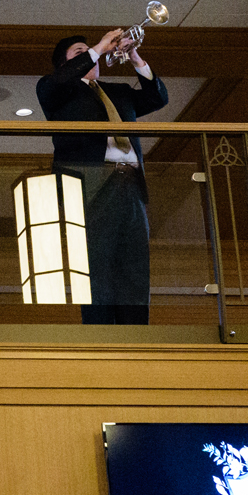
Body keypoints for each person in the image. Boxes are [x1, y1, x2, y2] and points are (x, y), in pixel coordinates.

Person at [37, 27, 168, 325]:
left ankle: (136, 338)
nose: (91, 55)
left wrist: (133, 55)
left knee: (135, 267)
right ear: (65, 64)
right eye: (78, 53)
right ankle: (100, 336)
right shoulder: (54, 90)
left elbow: (157, 98)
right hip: (91, 187)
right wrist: (96, 47)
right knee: (96, 267)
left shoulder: (119, 92)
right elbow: (58, 81)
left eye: (89, 52)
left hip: (131, 185)